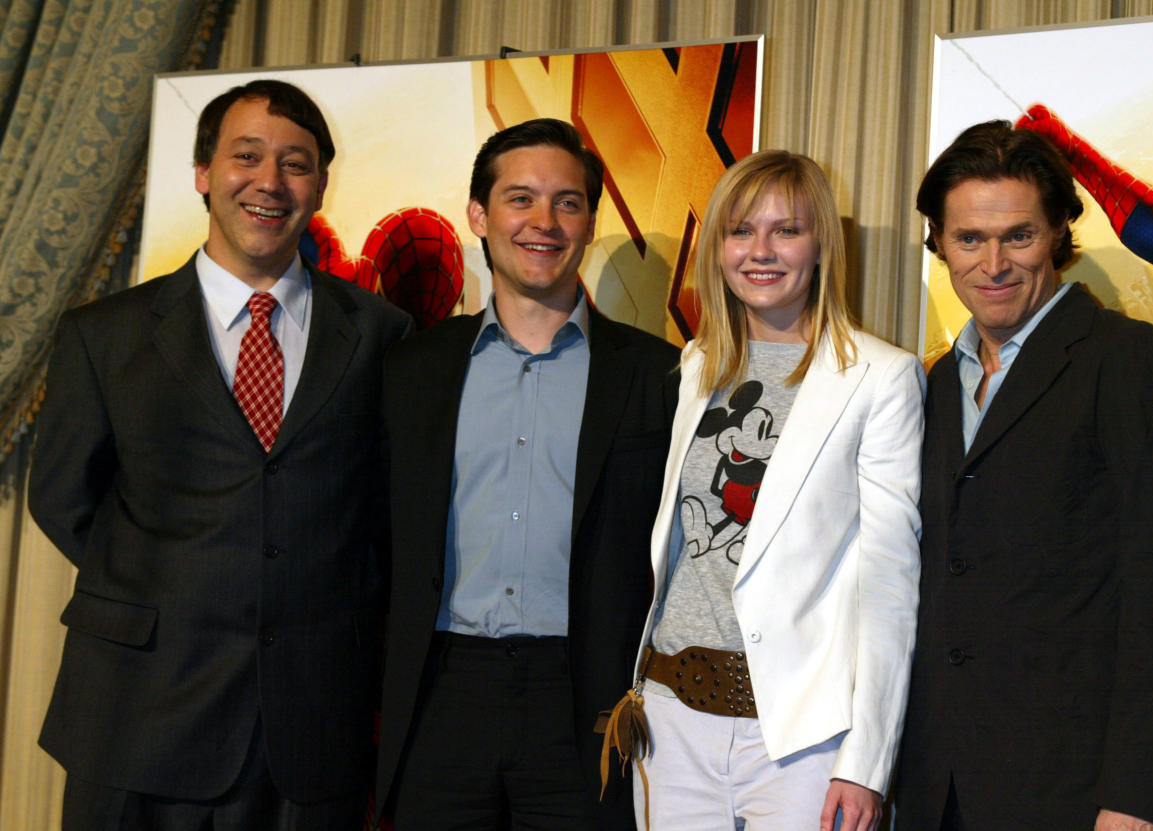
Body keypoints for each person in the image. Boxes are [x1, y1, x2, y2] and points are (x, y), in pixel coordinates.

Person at [28, 79, 410, 831]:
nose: (269, 182)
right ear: (203, 172)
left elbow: (388, 512)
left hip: (311, 728)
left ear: (322, 184)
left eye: (295, 163)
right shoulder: (101, 334)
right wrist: (173, 580)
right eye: (246, 157)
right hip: (138, 710)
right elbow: (64, 498)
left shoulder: (381, 335)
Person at [893, 119, 1153, 831]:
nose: (993, 264)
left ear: (1058, 235)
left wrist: (1137, 800)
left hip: (1086, 797)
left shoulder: (1143, 368)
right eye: (969, 239)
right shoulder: (923, 389)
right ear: (939, 245)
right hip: (941, 793)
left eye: (1018, 235)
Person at [375, 118, 679, 830]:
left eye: (567, 202)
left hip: (589, 699)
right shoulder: (410, 371)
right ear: (478, 214)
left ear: (588, 220)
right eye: (520, 199)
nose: (544, 221)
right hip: (442, 692)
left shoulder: (657, 373)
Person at [624, 149, 924, 831]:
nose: (760, 250)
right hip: (671, 719)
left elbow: (889, 583)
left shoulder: (881, 377)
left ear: (821, 245)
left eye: (786, 230)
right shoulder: (698, 363)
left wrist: (865, 762)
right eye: (739, 230)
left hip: (799, 739)